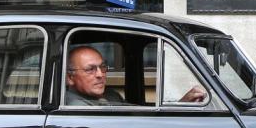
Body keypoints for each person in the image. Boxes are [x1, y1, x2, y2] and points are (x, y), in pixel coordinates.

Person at [65, 45, 206, 106]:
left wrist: (181, 104)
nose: (100, 74)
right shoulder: (73, 105)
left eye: (102, 67)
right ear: (70, 78)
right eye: (90, 70)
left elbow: (138, 115)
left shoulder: (111, 95)